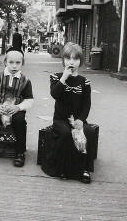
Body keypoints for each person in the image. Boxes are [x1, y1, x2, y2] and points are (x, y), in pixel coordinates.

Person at [43, 42, 94, 184]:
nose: (72, 62)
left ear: (80, 61)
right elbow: (55, 94)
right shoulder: (56, 77)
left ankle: (85, 169)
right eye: (68, 58)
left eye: (76, 59)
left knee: (88, 132)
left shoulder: (85, 82)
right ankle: (62, 168)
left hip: (78, 119)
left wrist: (81, 120)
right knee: (65, 133)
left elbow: (87, 104)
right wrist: (64, 78)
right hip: (61, 119)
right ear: (63, 60)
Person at [0, 48, 33, 167]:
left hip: (15, 109)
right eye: (11, 62)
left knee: (19, 121)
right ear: (5, 62)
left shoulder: (25, 81)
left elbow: (29, 100)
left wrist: (18, 107)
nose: (14, 66)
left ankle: (20, 152)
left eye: (18, 63)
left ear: (22, 63)